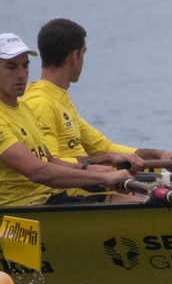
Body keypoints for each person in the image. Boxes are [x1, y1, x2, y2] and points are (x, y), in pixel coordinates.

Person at [20, 19, 172, 175]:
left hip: (90, 183)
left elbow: (103, 147)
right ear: (75, 56)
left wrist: (161, 155)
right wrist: (109, 160)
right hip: (71, 192)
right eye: (83, 54)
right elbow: (50, 164)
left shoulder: (58, 97)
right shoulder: (40, 103)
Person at [0, 32, 134, 207]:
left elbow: (50, 161)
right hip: (23, 208)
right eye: (11, 67)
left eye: (25, 66)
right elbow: (37, 171)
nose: (22, 74)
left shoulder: (23, 108)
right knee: (134, 203)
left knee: (141, 200)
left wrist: (90, 168)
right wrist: (103, 178)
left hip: (51, 198)